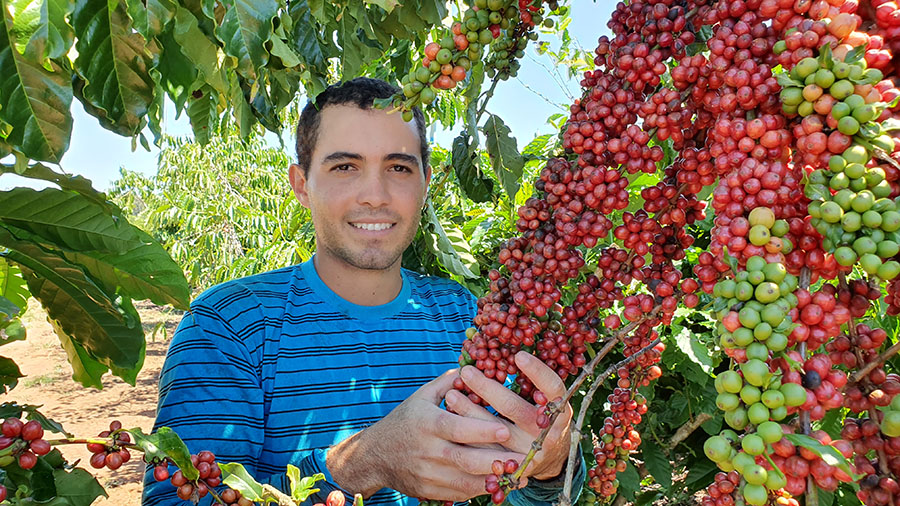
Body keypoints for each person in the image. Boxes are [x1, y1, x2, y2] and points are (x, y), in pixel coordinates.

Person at [141, 77, 584, 506]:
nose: (375, 195)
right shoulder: (229, 326)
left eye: (398, 167)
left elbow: (513, 488)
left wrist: (552, 462)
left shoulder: (463, 315)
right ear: (302, 184)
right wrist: (363, 465)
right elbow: (181, 498)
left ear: (425, 182)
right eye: (345, 167)